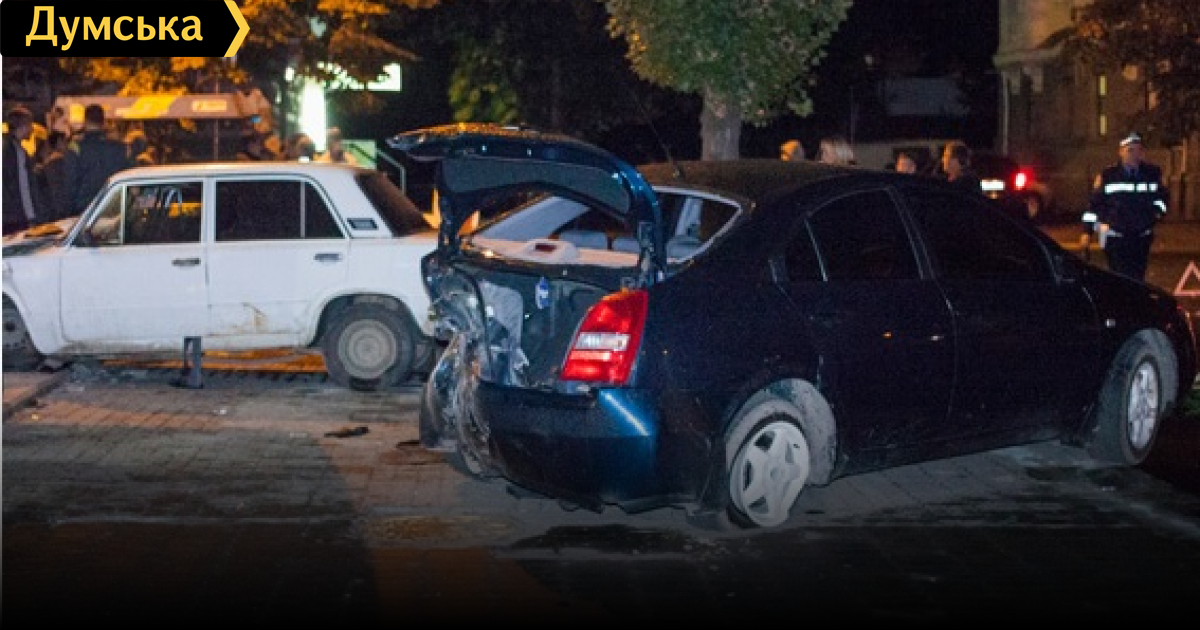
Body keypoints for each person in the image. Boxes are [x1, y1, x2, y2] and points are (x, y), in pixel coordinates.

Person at [1089, 132, 1168, 281]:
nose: (1134, 155)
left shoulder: (1152, 173)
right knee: (1119, 278)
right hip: (1116, 237)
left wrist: (1156, 214)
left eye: (1138, 150)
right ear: (1121, 152)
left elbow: (1163, 198)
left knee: (1137, 278)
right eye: (1130, 150)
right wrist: (1087, 231)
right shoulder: (1108, 175)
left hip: (1141, 236)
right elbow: (1095, 204)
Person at [66, 103, 131, 216]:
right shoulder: (119, 147)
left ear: (85, 121)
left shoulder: (76, 147)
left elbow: (71, 182)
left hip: (85, 209)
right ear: (103, 122)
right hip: (113, 206)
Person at [3, 106, 47, 234]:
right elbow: (23, 187)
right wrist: (31, 215)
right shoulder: (14, 152)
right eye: (30, 125)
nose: (32, 129)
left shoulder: (10, 148)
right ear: (23, 126)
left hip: (11, 216)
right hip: (14, 218)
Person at [37, 130, 73, 221]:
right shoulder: (58, 163)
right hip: (60, 210)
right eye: (65, 141)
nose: (67, 145)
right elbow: (58, 189)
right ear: (59, 143)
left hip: (53, 209)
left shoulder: (48, 163)